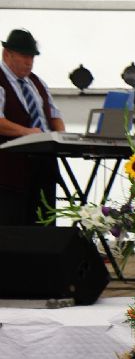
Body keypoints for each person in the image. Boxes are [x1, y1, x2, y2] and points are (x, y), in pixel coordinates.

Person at [0, 28, 65, 226]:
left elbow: (54, 115)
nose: (29, 62)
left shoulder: (37, 83)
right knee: (14, 226)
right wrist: (28, 133)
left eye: (32, 57)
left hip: (43, 166)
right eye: (24, 56)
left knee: (44, 224)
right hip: (11, 170)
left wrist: (62, 137)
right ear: (7, 54)